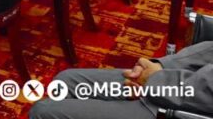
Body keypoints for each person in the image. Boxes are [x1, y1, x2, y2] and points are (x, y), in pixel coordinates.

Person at [29, 41, 213, 119]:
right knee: (65, 82)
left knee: (42, 112)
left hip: (185, 107)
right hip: (184, 79)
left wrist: (154, 81)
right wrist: (163, 66)